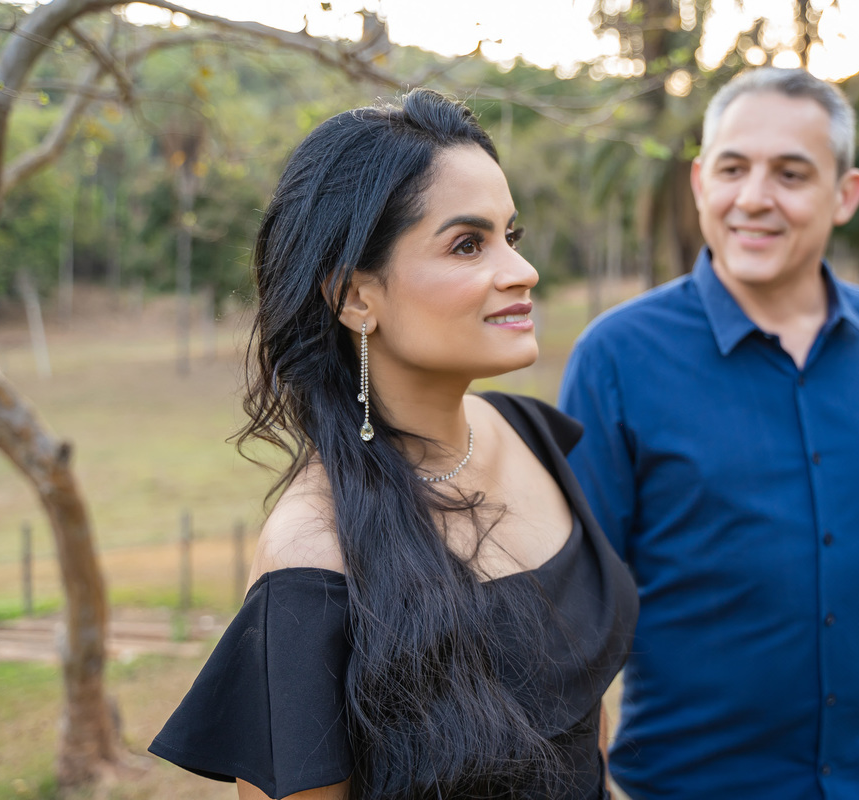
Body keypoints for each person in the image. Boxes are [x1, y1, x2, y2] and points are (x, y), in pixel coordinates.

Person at [150, 89, 638, 800]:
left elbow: (583, 722)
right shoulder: (313, 559)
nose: (521, 271)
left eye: (512, 236)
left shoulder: (531, 435)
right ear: (355, 298)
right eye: (469, 244)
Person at [559, 67, 859, 800]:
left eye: (791, 173)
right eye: (734, 169)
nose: (754, 198)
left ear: (846, 195)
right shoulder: (616, 357)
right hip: (688, 785)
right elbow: (576, 603)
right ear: (701, 181)